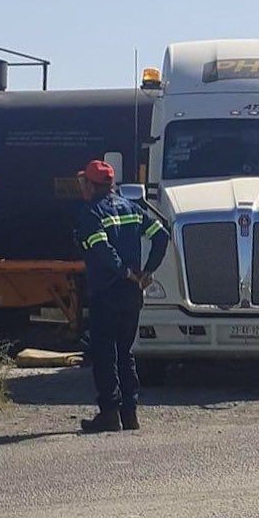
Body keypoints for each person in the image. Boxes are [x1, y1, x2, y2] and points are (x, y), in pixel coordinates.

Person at [74, 160, 169, 433]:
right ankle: (130, 413)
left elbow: (102, 249)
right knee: (125, 352)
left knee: (104, 353)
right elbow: (161, 236)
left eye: (84, 183)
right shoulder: (132, 208)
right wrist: (148, 271)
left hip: (107, 291)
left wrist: (125, 271)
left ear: (91, 185)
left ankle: (109, 414)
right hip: (131, 294)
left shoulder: (91, 213)